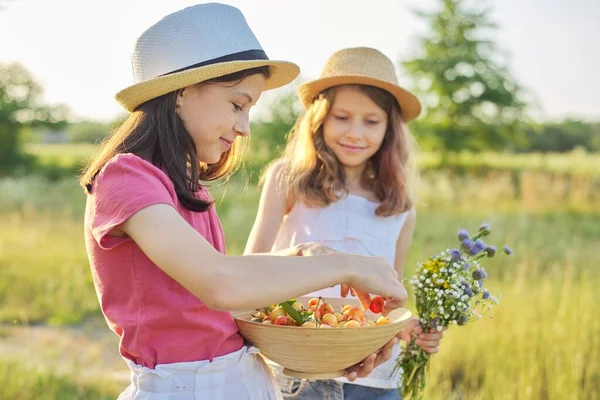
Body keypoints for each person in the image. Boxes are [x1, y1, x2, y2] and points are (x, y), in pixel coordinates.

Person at [80, 6, 408, 400]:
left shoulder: (187, 188)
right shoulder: (126, 177)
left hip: (246, 381)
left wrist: (304, 265)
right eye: (238, 104)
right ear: (182, 92)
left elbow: (224, 293)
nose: (244, 127)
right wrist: (348, 266)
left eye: (249, 109)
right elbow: (220, 283)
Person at [245, 47, 443, 400]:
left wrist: (407, 328)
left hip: (376, 378)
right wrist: (305, 254)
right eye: (342, 117)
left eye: (371, 121)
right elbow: (248, 270)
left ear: (389, 128)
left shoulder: (399, 208)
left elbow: (387, 299)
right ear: (320, 117)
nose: (355, 133)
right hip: (300, 371)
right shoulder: (288, 180)